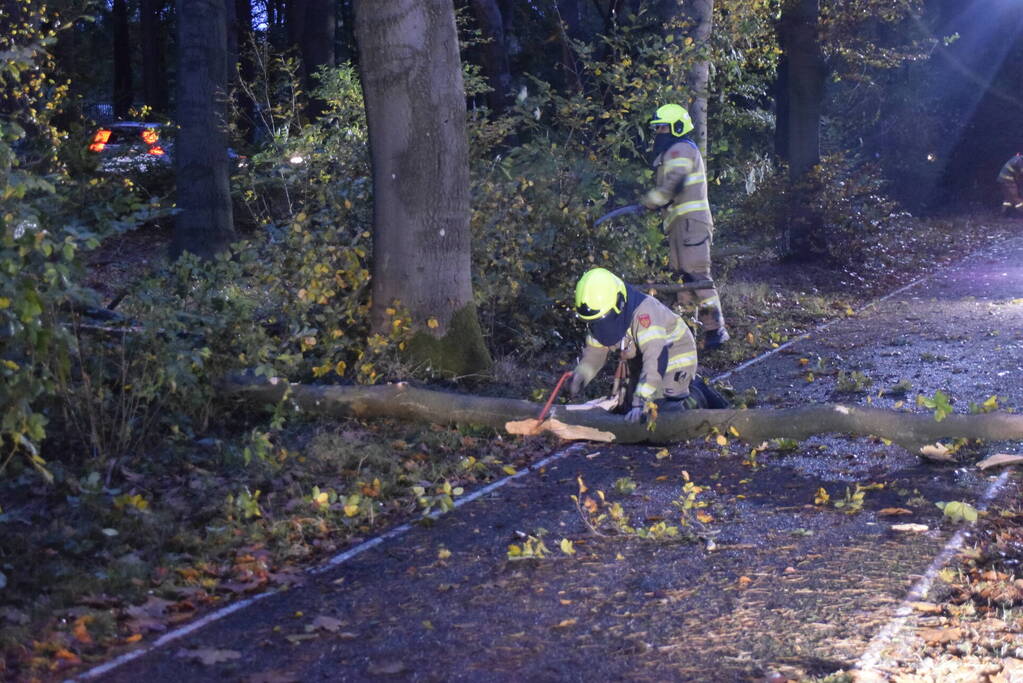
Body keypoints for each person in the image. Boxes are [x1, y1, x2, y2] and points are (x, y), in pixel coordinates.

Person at [568, 267, 725, 423]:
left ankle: (697, 396)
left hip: (673, 357)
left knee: (663, 415)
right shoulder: (601, 314)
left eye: (604, 318)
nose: (601, 324)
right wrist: (581, 375)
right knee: (627, 410)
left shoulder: (645, 314)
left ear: (619, 303)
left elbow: (655, 359)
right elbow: (596, 352)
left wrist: (641, 400)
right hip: (642, 361)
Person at [639, 103, 729, 349]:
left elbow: (673, 184)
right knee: (683, 278)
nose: (658, 133)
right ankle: (687, 331)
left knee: (696, 275)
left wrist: (651, 201)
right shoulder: (672, 151)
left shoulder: (680, 150)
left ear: (677, 128)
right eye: (656, 128)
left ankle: (716, 331)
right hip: (680, 225)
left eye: (662, 128)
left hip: (692, 225)